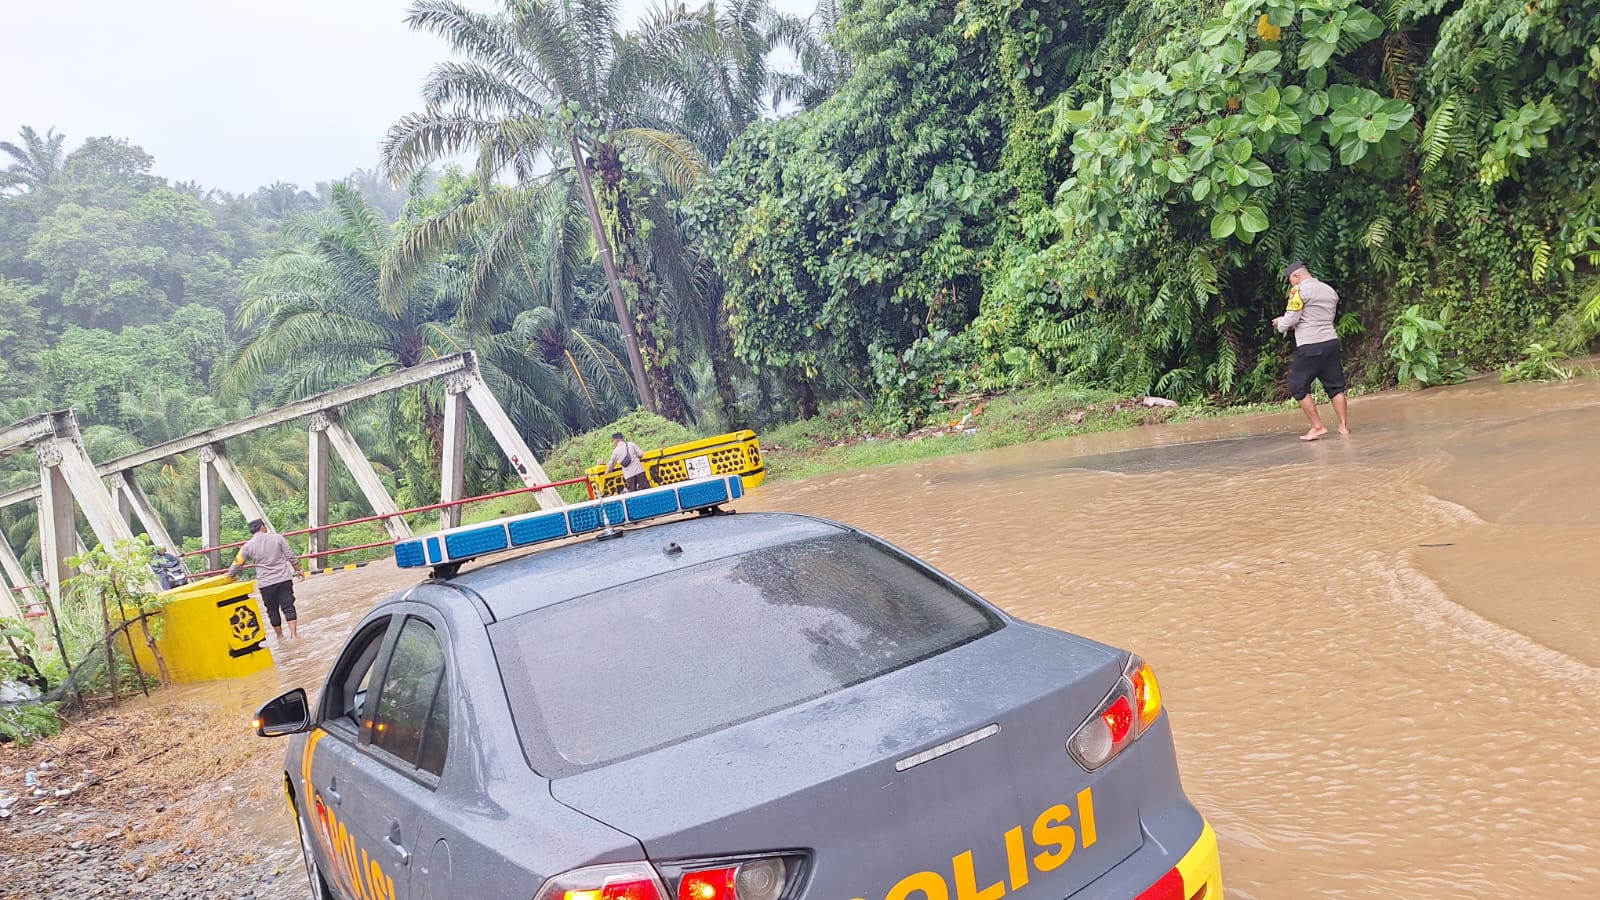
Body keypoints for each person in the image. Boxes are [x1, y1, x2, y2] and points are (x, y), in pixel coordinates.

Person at [1274, 261, 1350, 441]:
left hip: (1310, 345)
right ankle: (1344, 427)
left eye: (1291, 280)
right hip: (1331, 342)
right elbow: (1317, 317)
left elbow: (1291, 319)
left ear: (1296, 276)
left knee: (1296, 386)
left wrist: (1280, 324)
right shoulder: (1329, 290)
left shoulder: (1299, 291)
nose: (1291, 284)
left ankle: (1317, 426)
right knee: (1335, 386)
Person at [229, 519, 303, 642]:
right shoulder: (278, 538)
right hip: (283, 578)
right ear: (263, 527)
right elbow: (290, 555)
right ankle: (294, 635)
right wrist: (298, 570)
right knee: (288, 606)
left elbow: (237, 564)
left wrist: (230, 575)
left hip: (266, 583)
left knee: (272, 609)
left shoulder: (247, 547)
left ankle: (280, 637)